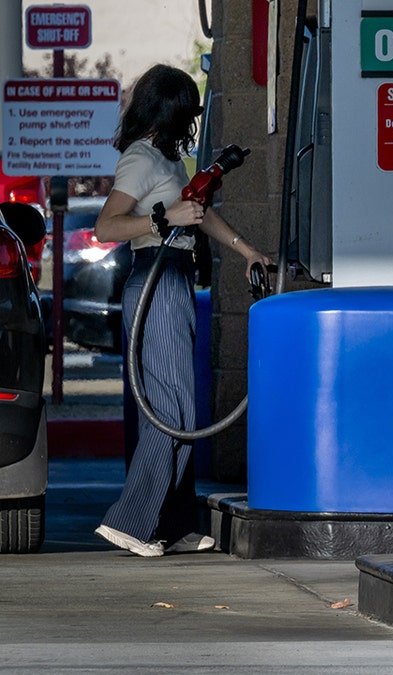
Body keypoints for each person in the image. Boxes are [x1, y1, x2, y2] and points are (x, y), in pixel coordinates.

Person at [93, 64, 270, 557]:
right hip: (154, 279)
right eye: (186, 111)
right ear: (167, 110)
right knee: (168, 410)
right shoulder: (140, 159)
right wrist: (160, 217)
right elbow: (106, 227)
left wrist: (246, 249)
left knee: (181, 407)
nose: (191, 121)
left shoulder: (169, 161)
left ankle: (171, 525)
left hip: (175, 280)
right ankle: (130, 522)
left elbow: (200, 212)